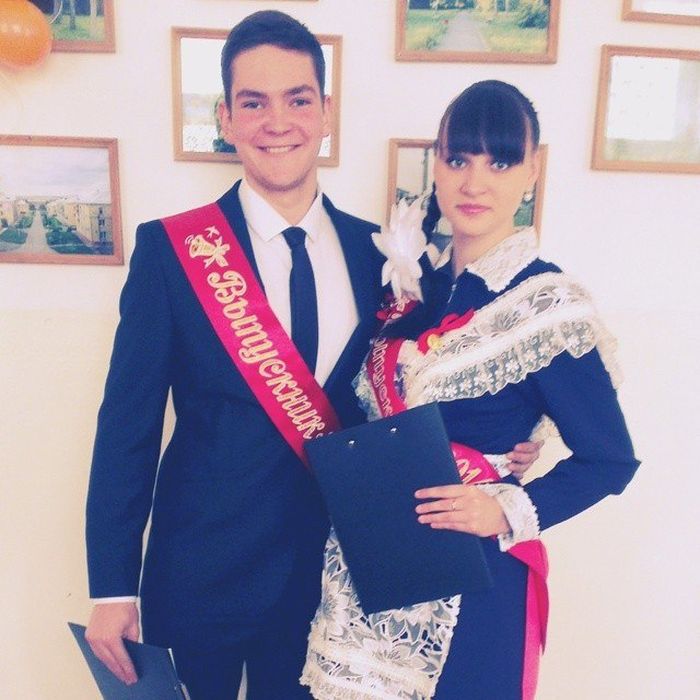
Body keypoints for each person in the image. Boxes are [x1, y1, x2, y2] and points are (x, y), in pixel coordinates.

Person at [83, 12, 540, 698]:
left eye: (297, 100)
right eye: (253, 103)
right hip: (199, 575)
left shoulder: (385, 256)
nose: (278, 122)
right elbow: (127, 430)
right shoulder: (172, 252)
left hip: (334, 583)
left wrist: (507, 446)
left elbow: (424, 385)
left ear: (325, 112)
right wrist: (112, 587)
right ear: (226, 119)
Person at [301, 80, 640, 700]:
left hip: (473, 579)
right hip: (371, 568)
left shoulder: (547, 304)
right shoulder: (413, 291)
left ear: (532, 173)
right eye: (458, 159)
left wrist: (505, 507)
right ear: (436, 166)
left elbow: (610, 460)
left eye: (500, 162)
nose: (475, 182)